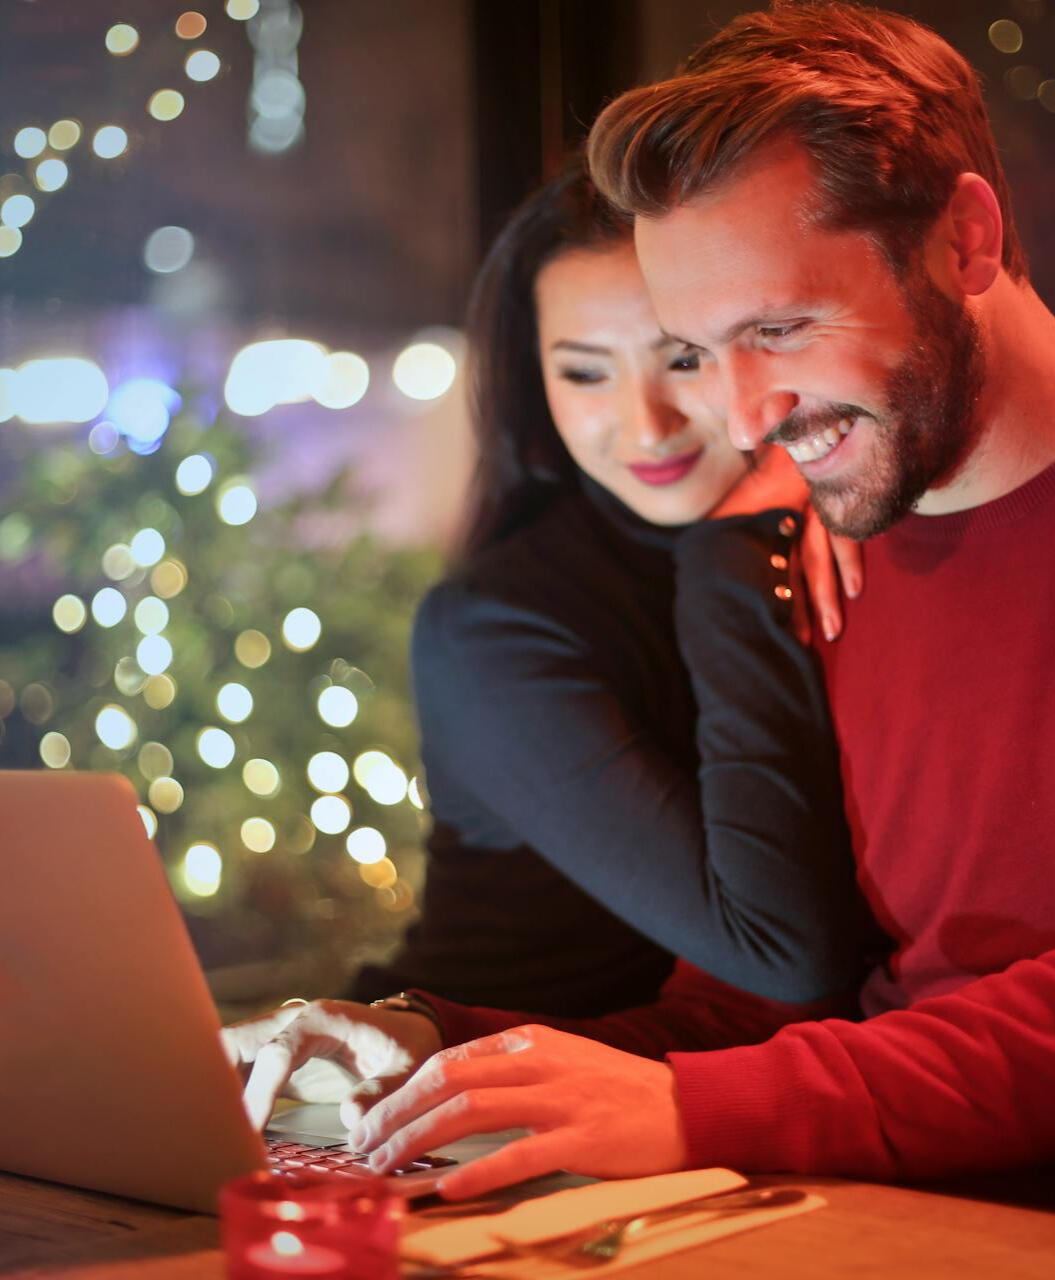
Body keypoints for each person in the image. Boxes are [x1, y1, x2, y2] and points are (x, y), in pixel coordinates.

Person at [237, 5, 1055, 1263]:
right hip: (889, 1216)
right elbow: (761, 1014)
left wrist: (689, 1105)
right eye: (699, 350)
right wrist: (445, 1053)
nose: (740, 416)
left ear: (965, 239)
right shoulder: (826, 544)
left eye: (776, 328)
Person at [223, 162, 873, 1128]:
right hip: (432, 1100)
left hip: (653, 1106)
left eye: (681, 360)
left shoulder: (827, 541)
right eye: (583, 372)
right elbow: (784, 953)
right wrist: (738, 540)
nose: (645, 424)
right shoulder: (498, 627)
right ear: (537, 382)